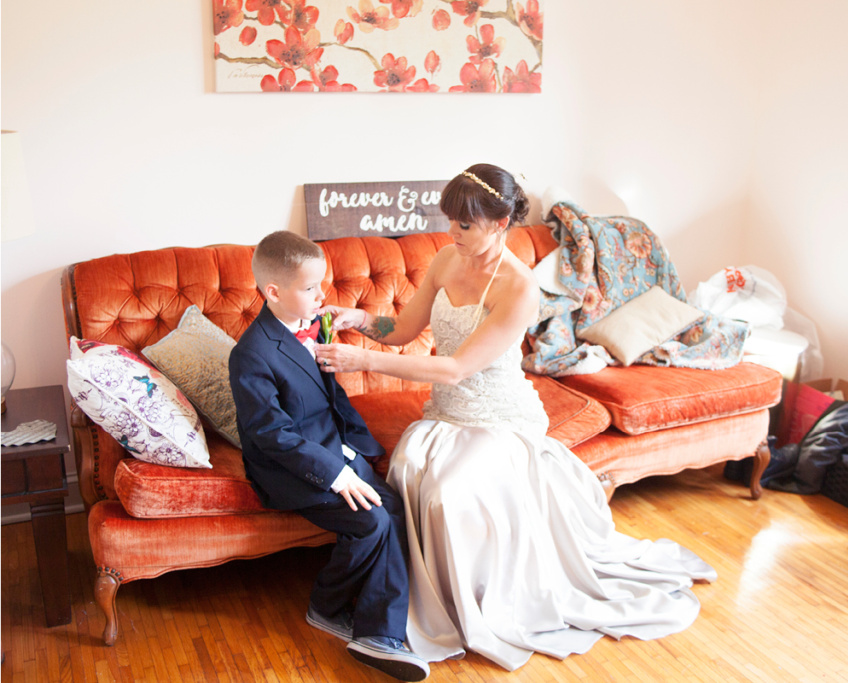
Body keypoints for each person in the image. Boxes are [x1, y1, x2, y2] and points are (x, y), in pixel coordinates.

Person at [314, 164, 717, 671]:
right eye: (451, 221)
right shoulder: (445, 260)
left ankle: (473, 609)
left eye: (466, 224)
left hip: (496, 416)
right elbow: (403, 328)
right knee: (410, 471)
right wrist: (364, 322)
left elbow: (458, 368)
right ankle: (410, 603)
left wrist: (364, 361)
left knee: (448, 494)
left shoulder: (520, 288)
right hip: (446, 415)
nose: (452, 233)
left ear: (500, 222)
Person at [228, 230, 430, 682]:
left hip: (335, 445)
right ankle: (329, 606)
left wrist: (360, 449)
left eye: (321, 285)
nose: (321, 296)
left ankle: (381, 629)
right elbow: (270, 434)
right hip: (291, 467)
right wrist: (337, 475)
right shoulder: (251, 354)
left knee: (394, 504)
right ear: (273, 292)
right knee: (372, 520)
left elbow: (331, 396)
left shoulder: (313, 323)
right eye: (310, 289)